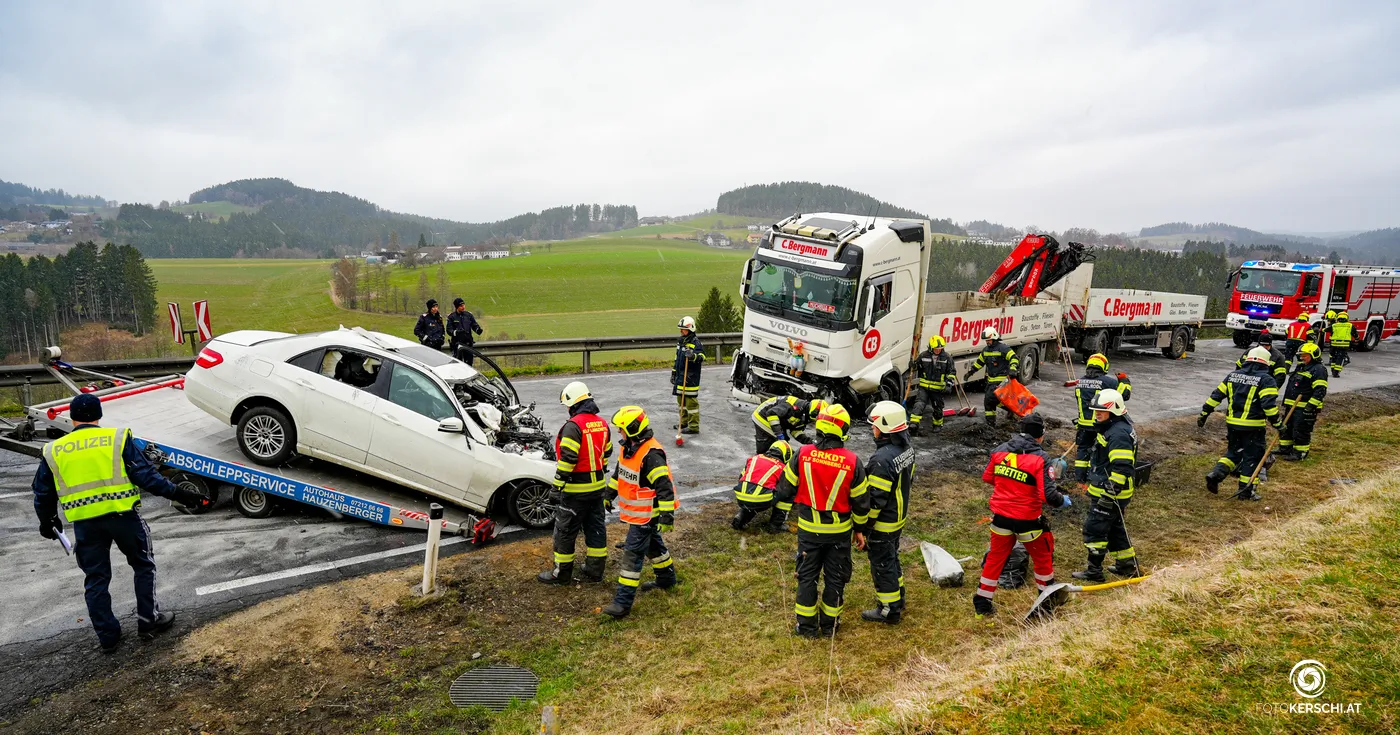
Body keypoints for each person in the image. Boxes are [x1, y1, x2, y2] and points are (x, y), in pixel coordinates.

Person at [31, 394, 211, 652]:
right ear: (99, 415)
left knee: (96, 578)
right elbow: (147, 478)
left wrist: (48, 521)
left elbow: (43, 492)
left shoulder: (54, 450)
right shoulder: (116, 438)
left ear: (71, 418)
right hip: (123, 517)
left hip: (85, 524)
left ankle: (108, 637)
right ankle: (148, 621)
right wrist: (183, 495)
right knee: (143, 566)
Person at [773, 404, 870, 638]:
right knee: (835, 579)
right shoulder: (852, 461)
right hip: (839, 533)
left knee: (807, 578)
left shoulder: (803, 454)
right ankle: (830, 627)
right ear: (843, 431)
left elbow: (784, 489)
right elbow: (861, 503)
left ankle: (806, 628)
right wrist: (860, 530)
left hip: (808, 532)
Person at [974, 413, 1070, 617]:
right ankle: (1045, 605)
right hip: (1028, 520)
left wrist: (1009, 485)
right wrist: (1062, 500)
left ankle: (982, 603)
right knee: (1043, 559)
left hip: (1000, 518)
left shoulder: (1000, 450)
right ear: (1041, 435)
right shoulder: (1041, 458)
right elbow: (1048, 496)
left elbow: (988, 477)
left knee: (995, 559)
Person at [601, 406, 678, 618]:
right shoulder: (629, 448)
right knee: (653, 546)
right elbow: (620, 475)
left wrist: (666, 517)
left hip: (647, 514)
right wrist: (608, 494)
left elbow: (664, 487)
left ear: (632, 429)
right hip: (639, 514)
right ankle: (667, 579)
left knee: (632, 556)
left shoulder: (651, 455)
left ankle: (622, 603)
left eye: (621, 429)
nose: (619, 432)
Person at [537, 382, 612, 585]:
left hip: (575, 492)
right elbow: (606, 454)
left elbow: (568, 460)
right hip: (597, 489)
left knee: (565, 532)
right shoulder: (602, 423)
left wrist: (556, 487)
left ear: (572, 404)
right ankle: (595, 570)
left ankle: (561, 574)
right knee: (595, 529)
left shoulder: (573, 426)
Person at [1072, 388, 1141, 582]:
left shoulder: (1118, 434)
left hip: (1110, 493)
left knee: (1094, 529)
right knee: (1115, 530)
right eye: (1096, 410)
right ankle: (1127, 566)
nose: (1097, 414)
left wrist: (1109, 495)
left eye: (1101, 411)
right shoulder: (1115, 427)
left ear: (1114, 410)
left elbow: (1122, 467)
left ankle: (1094, 571)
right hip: (1111, 490)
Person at [1199, 347, 1281, 501]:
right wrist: (1278, 423)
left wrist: (1205, 412)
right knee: (1252, 457)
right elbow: (1269, 406)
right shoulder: (1266, 380)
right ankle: (1246, 491)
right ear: (1266, 363)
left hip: (1232, 424)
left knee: (1234, 452)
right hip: (1253, 426)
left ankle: (1216, 474)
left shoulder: (1233, 375)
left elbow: (1216, 395)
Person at [860, 401, 916, 624]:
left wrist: (864, 526)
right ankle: (898, 597)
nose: (872, 429)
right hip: (898, 517)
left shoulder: (881, 459)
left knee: (882, 564)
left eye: (874, 425)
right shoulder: (906, 449)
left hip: (884, 522)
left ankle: (889, 610)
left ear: (885, 428)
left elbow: (875, 501)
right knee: (891, 558)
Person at [1071, 353, 1131, 482]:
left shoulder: (1079, 382)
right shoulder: (1108, 382)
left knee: (1083, 450)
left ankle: (1079, 478)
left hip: (1083, 425)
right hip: (1099, 424)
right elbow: (1124, 395)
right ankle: (1093, 477)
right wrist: (1124, 381)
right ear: (1104, 366)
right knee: (1097, 451)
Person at [1277, 343, 1328, 462]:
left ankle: (1300, 452)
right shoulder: (1302, 367)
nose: (1302, 358)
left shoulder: (1319, 370)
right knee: (1287, 427)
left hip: (1304, 407)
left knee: (1300, 430)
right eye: (1301, 355)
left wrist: (1310, 406)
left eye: (1305, 355)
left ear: (1313, 355)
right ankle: (1285, 448)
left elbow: (1320, 390)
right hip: (1292, 405)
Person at [730, 439, 794, 533]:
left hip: (741, 496)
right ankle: (776, 525)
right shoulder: (781, 467)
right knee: (788, 494)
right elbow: (785, 488)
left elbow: (741, 477)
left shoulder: (754, 458)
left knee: (752, 498)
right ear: (786, 454)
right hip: (761, 499)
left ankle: (741, 517)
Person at [965, 327, 1019, 426]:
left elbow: (1014, 358)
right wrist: (971, 372)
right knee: (991, 402)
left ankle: (991, 423)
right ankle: (997, 418)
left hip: (1002, 380)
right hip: (991, 380)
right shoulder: (985, 350)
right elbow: (979, 362)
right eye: (986, 340)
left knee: (989, 400)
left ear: (994, 338)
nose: (987, 342)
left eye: (989, 340)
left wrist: (1013, 369)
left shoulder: (1003, 348)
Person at [909, 335, 956, 436]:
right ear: (931, 347)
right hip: (924, 387)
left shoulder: (947, 358)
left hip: (938, 389)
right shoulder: (923, 356)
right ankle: (914, 424)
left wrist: (949, 384)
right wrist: (913, 365)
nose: (938, 350)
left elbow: (952, 372)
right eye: (936, 349)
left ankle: (937, 424)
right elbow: (917, 367)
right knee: (919, 404)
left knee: (938, 407)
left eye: (940, 348)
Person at [750, 395, 825, 454]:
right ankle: (760, 460)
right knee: (773, 445)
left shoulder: (805, 414)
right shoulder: (792, 406)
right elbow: (771, 413)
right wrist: (779, 434)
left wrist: (810, 441)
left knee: (783, 444)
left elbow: (795, 431)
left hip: (777, 420)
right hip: (762, 416)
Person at [672, 316, 704, 434]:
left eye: (683, 329)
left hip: (691, 377)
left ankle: (694, 426)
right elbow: (677, 358)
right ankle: (683, 422)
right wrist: (674, 372)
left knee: (691, 403)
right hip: (680, 376)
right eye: (681, 329)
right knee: (681, 402)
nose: (681, 331)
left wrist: (693, 356)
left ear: (690, 329)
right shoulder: (681, 342)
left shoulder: (696, 342)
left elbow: (702, 357)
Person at [447, 297, 484, 365]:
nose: (463, 307)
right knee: (458, 365)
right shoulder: (452, 317)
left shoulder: (468, 315)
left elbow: (474, 324)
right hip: (457, 344)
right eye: (461, 306)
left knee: (469, 364)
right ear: (457, 307)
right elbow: (449, 330)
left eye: (463, 305)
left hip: (468, 343)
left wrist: (477, 329)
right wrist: (456, 332)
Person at [1327, 312, 1353, 377]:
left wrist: (1322, 330)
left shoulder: (1334, 325)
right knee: (1340, 358)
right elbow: (1355, 333)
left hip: (1334, 345)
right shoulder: (1350, 325)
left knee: (1334, 357)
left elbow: (1327, 329)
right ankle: (1336, 373)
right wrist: (1357, 338)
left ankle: (1333, 370)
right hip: (1343, 345)